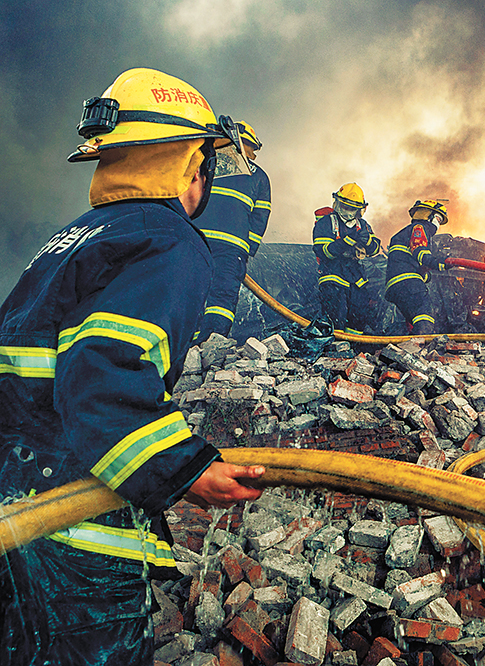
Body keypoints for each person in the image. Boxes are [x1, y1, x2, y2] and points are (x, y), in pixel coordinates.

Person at [0, 68, 265, 666]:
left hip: (16, 526)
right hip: (75, 540)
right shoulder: (168, 239)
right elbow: (103, 368)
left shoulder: (72, 239)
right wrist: (183, 467)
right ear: (190, 165)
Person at [192, 120, 271, 344]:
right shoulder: (259, 177)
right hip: (229, 248)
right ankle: (209, 346)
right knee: (222, 295)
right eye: (251, 149)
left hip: (196, 240)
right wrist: (247, 248)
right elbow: (260, 218)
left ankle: (192, 344)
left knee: (193, 289)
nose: (252, 154)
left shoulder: (202, 164)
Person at [312, 183, 382, 334]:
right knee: (336, 314)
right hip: (333, 274)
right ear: (337, 203)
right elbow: (325, 252)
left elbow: (375, 249)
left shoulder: (362, 225)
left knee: (359, 314)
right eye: (344, 206)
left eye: (352, 208)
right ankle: (333, 349)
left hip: (355, 276)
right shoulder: (326, 223)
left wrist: (367, 241)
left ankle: (352, 349)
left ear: (360, 209)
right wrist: (348, 241)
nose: (347, 211)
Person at [385, 199, 451, 334]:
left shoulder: (404, 233)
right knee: (425, 314)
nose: (438, 225)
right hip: (408, 282)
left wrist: (425, 274)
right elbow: (420, 251)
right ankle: (419, 348)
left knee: (414, 319)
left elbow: (408, 263)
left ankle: (409, 348)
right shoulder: (419, 228)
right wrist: (438, 263)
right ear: (428, 215)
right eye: (438, 219)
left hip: (395, 286)